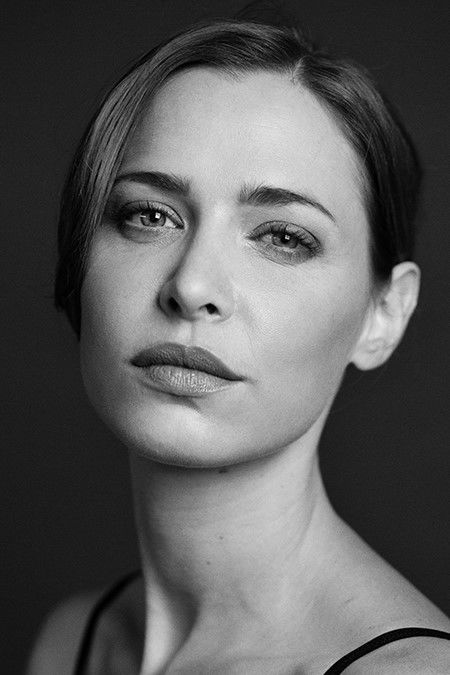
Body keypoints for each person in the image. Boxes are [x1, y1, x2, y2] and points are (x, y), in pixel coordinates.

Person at [27, 16, 449, 675]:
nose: (192, 285)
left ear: (385, 314)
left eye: (282, 237)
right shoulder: (70, 641)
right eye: (149, 215)